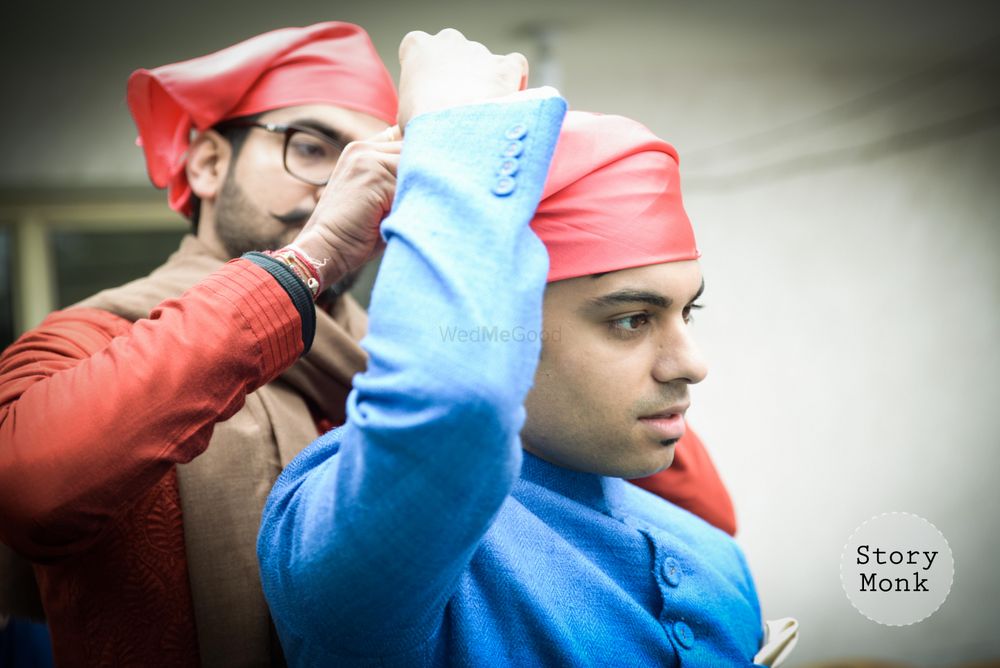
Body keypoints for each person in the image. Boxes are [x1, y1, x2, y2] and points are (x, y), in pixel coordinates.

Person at [0, 20, 741, 668]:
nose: (349, 179)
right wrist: (311, 255)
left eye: (380, 160)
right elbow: (24, 486)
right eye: (312, 147)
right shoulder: (90, 338)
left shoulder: (413, 347)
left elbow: (700, 525)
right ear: (207, 163)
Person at [258, 29, 794, 666]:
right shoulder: (348, 532)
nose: (693, 363)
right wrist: (452, 134)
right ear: (499, 322)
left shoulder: (714, 555)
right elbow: (453, 408)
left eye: (688, 311)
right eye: (631, 319)